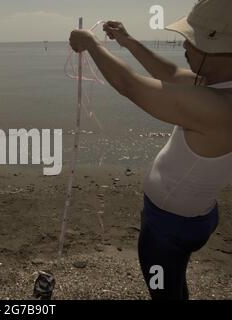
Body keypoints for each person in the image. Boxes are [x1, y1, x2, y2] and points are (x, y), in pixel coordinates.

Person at [69, 0, 232, 299]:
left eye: (191, 38)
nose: (183, 44)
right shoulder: (217, 87)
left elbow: (130, 85)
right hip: (193, 217)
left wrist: (91, 44)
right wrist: (129, 42)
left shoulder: (218, 108)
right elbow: (168, 72)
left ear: (218, 46)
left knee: (162, 291)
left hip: (170, 227)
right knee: (171, 284)